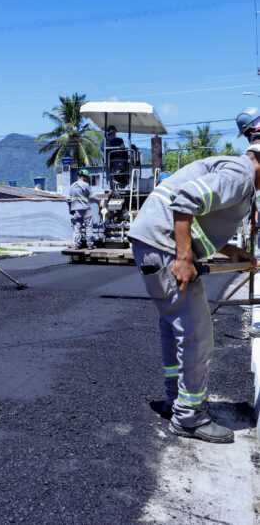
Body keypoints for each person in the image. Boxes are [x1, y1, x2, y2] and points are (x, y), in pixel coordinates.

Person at [128, 148, 260, 443]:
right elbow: (185, 200)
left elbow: (198, 217)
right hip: (164, 246)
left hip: (153, 242)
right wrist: (185, 259)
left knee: (174, 328)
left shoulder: (237, 172)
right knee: (196, 335)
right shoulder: (240, 177)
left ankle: (176, 400)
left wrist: (230, 250)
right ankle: (188, 416)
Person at [68, 169, 94, 249]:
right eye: (86, 177)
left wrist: (71, 210)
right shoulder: (86, 185)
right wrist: (101, 200)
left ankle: (77, 244)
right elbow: (92, 196)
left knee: (77, 228)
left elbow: (69, 199)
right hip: (86, 209)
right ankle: (89, 244)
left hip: (76, 210)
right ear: (84, 177)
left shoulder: (72, 186)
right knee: (88, 227)